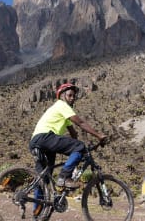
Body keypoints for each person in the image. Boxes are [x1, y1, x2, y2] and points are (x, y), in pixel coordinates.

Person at [29, 83, 107, 217]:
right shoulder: (61, 105)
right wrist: (99, 135)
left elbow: (74, 134)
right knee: (79, 147)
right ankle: (64, 177)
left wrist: (84, 146)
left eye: (74, 96)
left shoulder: (63, 112)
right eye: (69, 95)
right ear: (62, 96)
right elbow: (81, 123)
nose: (72, 98)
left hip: (37, 141)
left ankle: (38, 215)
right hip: (45, 137)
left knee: (43, 180)